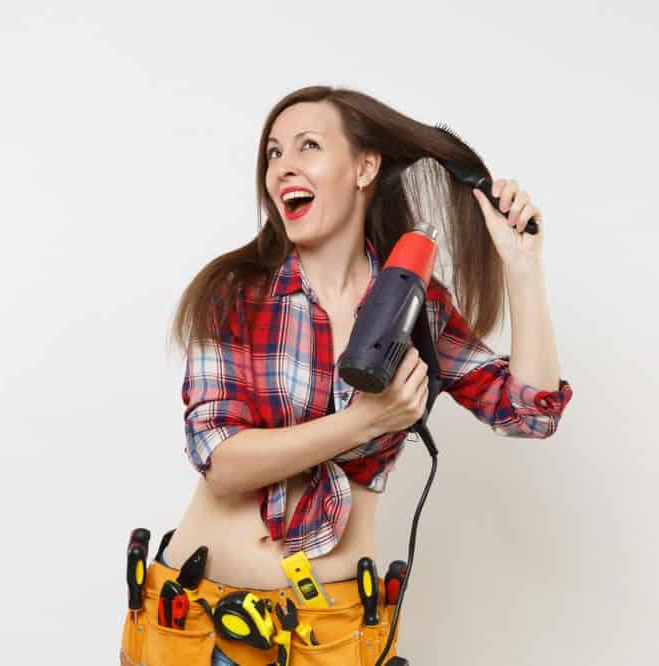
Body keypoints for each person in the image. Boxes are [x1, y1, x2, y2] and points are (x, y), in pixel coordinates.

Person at [120, 85, 574, 666]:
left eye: (308, 146)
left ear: (364, 167)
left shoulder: (418, 307)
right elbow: (221, 460)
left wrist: (522, 268)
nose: (284, 167)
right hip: (198, 621)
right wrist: (363, 423)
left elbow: (530, 416)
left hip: (330, 633)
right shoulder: (234, 292)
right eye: (274, 154)